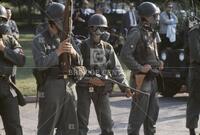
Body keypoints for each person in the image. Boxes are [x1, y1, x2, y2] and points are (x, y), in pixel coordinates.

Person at [76, 14, 132, 135]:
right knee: (81, 127)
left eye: (103, 29)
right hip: (84, 89)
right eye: (96, 28)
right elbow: (75, 70)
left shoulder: (107, 47)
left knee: (107, 127)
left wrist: (125, 86)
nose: (99, 32)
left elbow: (117, 69)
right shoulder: (82, 46)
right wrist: (89, 80)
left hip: (101, 89)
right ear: (90, 29)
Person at [32, 2, 82, 135]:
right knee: (46, 128)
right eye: (61, 20)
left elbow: (81, 62)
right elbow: (40, 64)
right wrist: (57, 52)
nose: (64, 24)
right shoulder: (39, 39)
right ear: (51, 22)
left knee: (70, 129)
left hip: (70, 87)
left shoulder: (68, 37)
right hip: (50, 87)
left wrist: (73, 53)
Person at [120, 2, 164, 135]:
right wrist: (139, 67)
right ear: (146, 16)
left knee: (152, 117)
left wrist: (159, 62)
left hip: (153, 79)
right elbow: (125, 55)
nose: (156, 18)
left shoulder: (151, 32)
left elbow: (151, 53)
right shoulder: (136, 32)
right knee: (137, 118)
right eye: (154, 16)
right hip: (141, 80)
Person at [0, 5, 25, 135]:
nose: (1, 24)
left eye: (2, 20)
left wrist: (4, 49)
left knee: (14, 126)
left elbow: (21, 59)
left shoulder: (10, 40)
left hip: (6, 86)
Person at [186, 23, 200, 135]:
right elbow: (196, 54)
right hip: (197, 71)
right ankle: (192, 130)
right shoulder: (195, 31)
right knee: (194, 101)